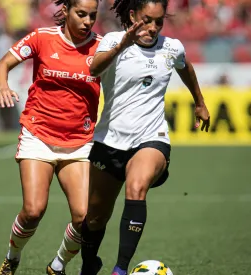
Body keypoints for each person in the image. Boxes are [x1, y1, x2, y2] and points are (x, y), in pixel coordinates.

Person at [79, 0, 210, 274]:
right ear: (132, 15)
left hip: (152, 136)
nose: (153, 27)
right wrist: (123, 44)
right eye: (147, 20)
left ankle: (121, 269)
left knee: (136, 186)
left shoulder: (172, 47)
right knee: (95, 217)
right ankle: (90, 263)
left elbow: (185, 67)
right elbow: (93, 69)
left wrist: (199, 101)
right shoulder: (113, 41)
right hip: (109, 140)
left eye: (159, 21)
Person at [0, 0, 102, 274]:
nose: (88, 21)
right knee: (33, 210)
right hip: (38, 135)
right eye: (81, 14)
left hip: (79, 141)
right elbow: (3, 64)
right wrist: (3, 87)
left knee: (84, 217)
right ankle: (12, 258)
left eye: (92, 15)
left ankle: (57, 266)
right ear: (65, 11)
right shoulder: (42, 38)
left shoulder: (102, 47)